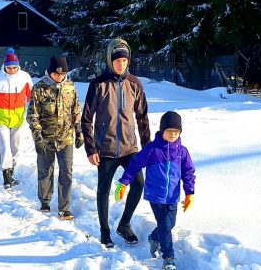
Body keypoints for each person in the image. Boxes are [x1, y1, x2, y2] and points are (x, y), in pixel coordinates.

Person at [81, 38, 151, 247]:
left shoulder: (134, 84)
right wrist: (91, 148)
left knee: (138, 184)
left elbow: (142, 117)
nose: (121, 64)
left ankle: (124, 224)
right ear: (110, 61)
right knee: (103, 190)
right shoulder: (98, 84)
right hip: (105, 149)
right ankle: (105, 231)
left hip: (130, 148)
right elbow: (86, 119)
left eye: (124, 60)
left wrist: (147, 147)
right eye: (117, 60)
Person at [114, 111, 195, 270]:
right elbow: (135, 165)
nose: (172, 134)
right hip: (155, 195)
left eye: (176, 131)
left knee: (170, 223)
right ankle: (168, 258)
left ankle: (153, 237)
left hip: (173, 196)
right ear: (162, 130)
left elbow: (188, 172)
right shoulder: (152, 149)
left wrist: (190, 193)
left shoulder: (182, 151)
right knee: (165, 224)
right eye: (169, 130)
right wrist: (123, 183)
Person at [27, 55, 84, 220]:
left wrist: (79, 131)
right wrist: (37, 137)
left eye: (63, 73)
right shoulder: (39, 88)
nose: (59, 77)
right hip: (46, 137)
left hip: (66, 138)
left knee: (66, 172)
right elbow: (32, 115)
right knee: (45, 171)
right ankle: (45, 202)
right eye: (56, 74)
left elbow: (75, 111)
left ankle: (64, 208)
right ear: (50, 72)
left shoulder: (70, 87)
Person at [0, 49, 33, 189]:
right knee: (5, 146)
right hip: (1, 119)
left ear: (18, 66)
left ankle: (12, 171)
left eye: (14, 67)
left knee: (15, 148)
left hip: (17, 119)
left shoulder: (24, 77)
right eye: (9, 67)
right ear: (4, 65)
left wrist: (35, 114)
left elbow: (32, 97)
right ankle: (6, 177)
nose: (11, 70)